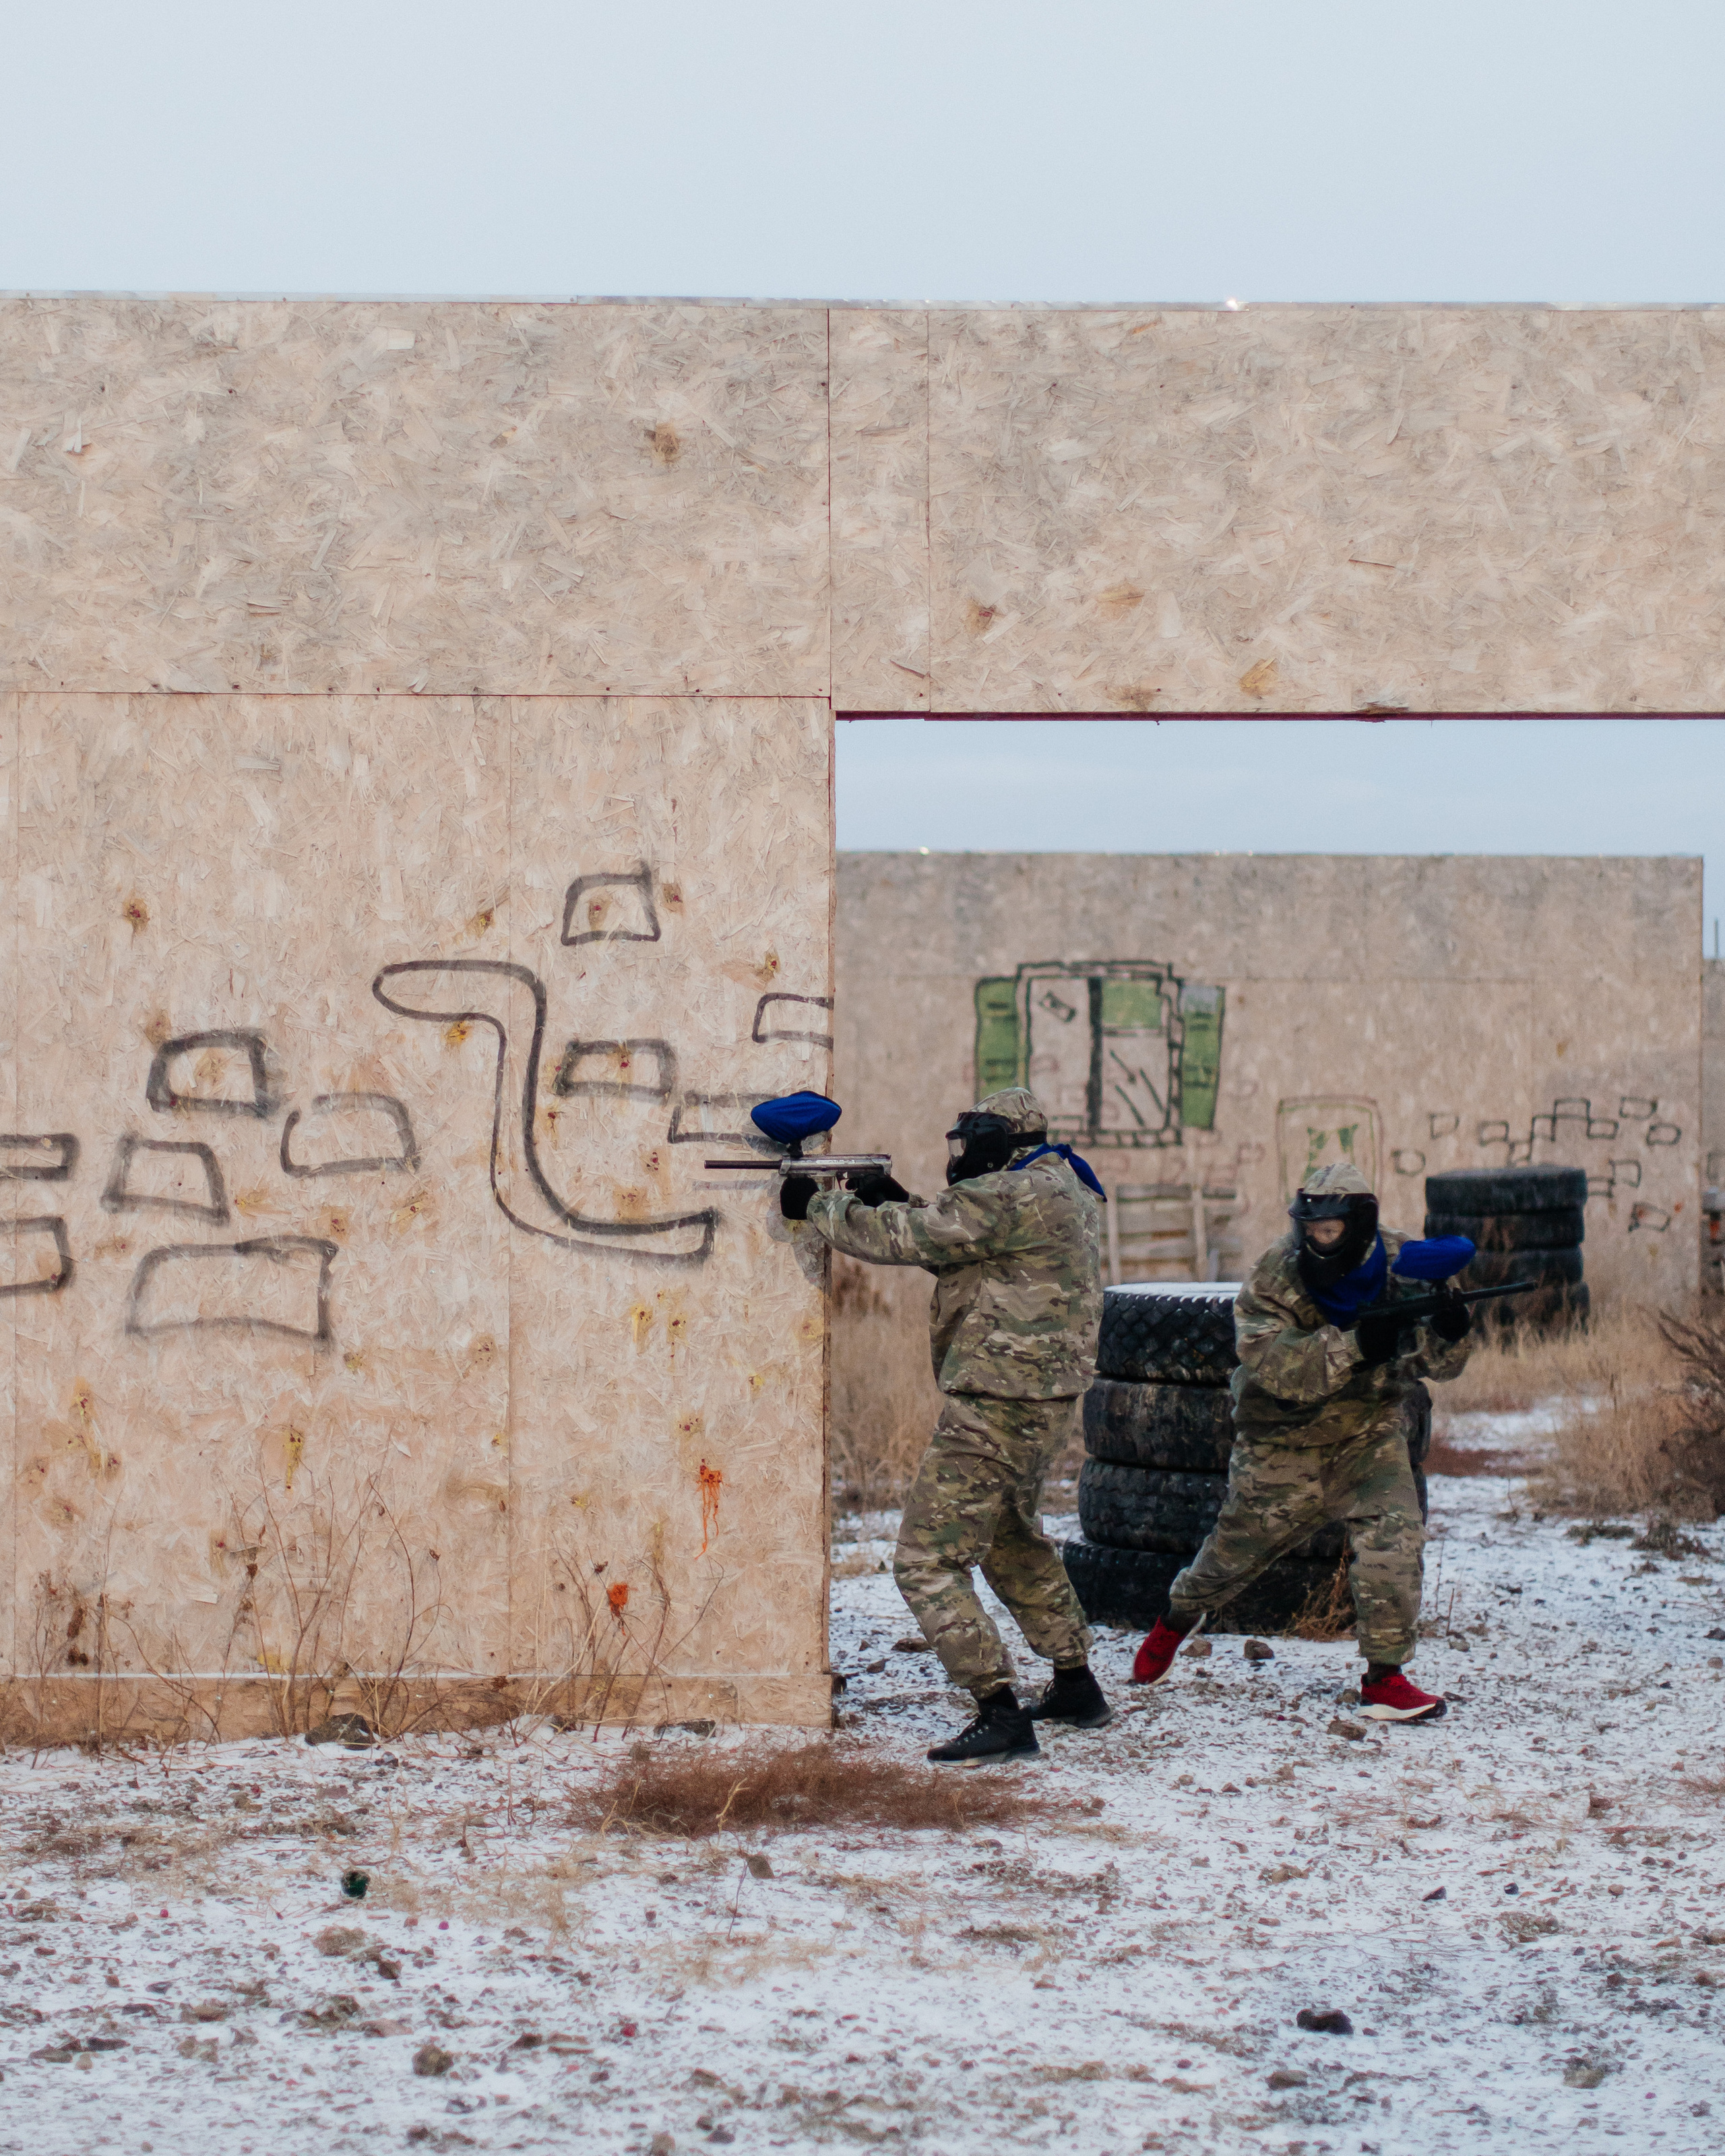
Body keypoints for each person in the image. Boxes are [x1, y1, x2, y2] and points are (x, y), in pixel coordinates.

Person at [783, 1086, 1106, 1762]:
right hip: (1041, 1395)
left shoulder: (1012, 1193)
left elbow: (909, 1238)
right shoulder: (1061, 1185)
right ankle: (1075, 1682)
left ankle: (998, 1709)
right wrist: (887, 1191)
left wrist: (820, 1206)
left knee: (926, 1559)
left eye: (975, 1141)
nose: (964, 1156)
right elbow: (956, 1246)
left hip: (997, 1396)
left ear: (1007, 1142)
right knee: (1010, 1537)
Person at [1129, 1160, 1472, 1723]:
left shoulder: (1405, 1264)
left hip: (1368, 1432)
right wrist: (1360, 1343)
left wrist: (1449, 1333)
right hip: (1282, 1441)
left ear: (1359, 1222)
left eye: (1330, 1229)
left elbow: (1437, 1363)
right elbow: (1279, 1369)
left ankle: (1384, 1677)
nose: (1317, 1238)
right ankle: (1178, 1616)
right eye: (1310, 1227)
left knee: (1396, 1537)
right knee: (1230, 1557)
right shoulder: (1274, 1276)